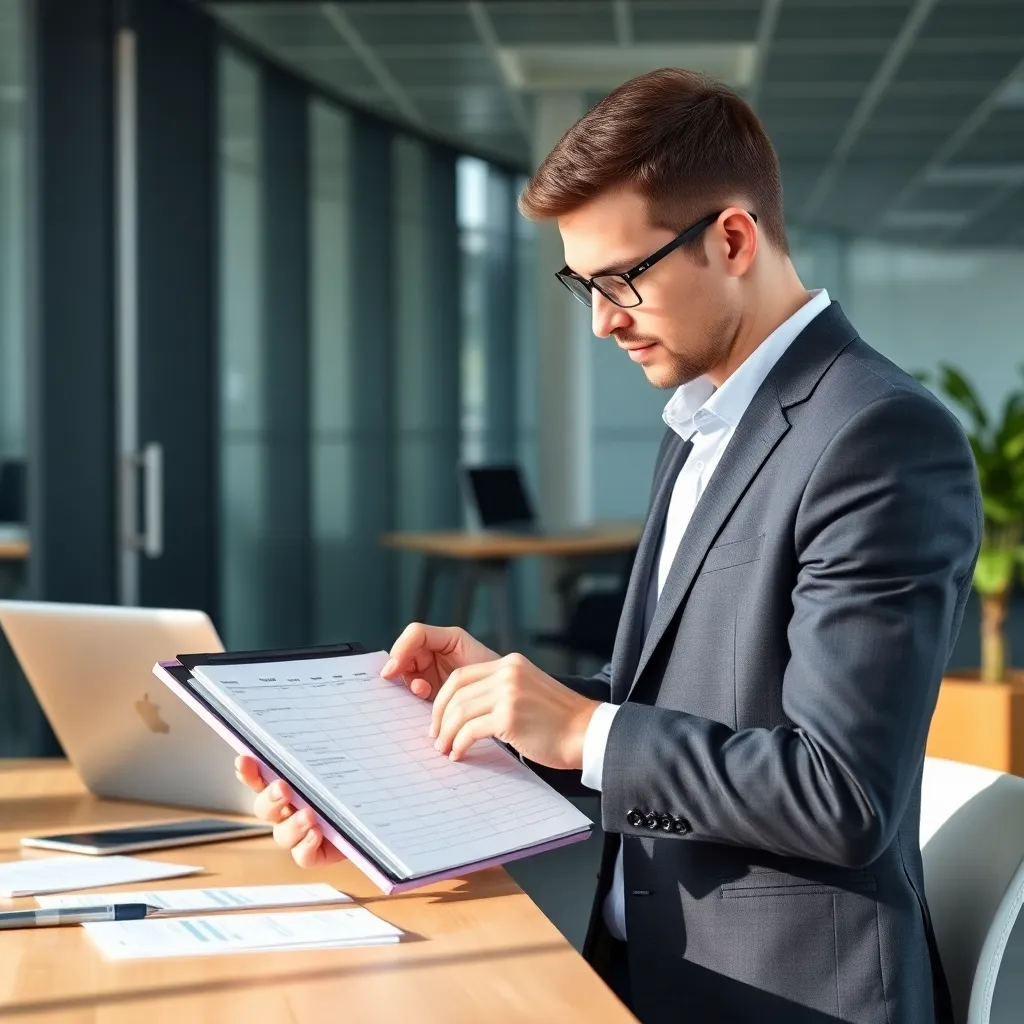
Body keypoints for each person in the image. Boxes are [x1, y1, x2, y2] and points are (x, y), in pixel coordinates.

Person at [236, 68, 982, 1024]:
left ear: (732, 238)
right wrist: (458, 739)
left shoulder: (878, 435)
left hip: (787, 997)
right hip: (642, 973)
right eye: (582, 284)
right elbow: (655, 714)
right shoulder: (700, 423)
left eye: (623, 279)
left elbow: (840, 793)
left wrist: (582, 728)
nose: (601, 320)